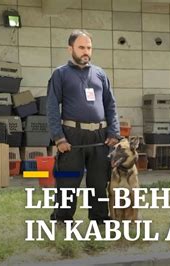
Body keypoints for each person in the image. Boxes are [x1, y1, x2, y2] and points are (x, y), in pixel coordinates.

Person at [47, 29, 120, 224]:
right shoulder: (60, 74)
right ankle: (63, 220)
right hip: (71, 136)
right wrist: (58, 137)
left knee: (98, 181)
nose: (85, 51)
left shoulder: (100, 74)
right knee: (68, 181)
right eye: (81, 47)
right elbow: (52, 107)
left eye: (88, 47)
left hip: (100, 137)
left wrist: (114, 131)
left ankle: (99, 219)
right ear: (70, 48)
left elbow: (110, 104)